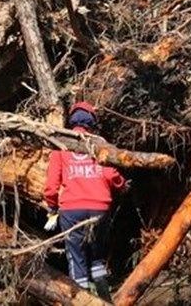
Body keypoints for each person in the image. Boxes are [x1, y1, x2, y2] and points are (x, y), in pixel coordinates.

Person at [43, 101, 127, 299]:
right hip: (100, 208)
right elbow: (111, 174)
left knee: (76, 258)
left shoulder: (61, 145)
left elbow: (51, 184)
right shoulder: (99, 143)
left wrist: (52, 206)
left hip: (72, 210)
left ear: (71, 120)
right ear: (92, 121)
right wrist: (122, 185)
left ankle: (81, 299)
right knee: (97, 258)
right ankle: (105, 298)